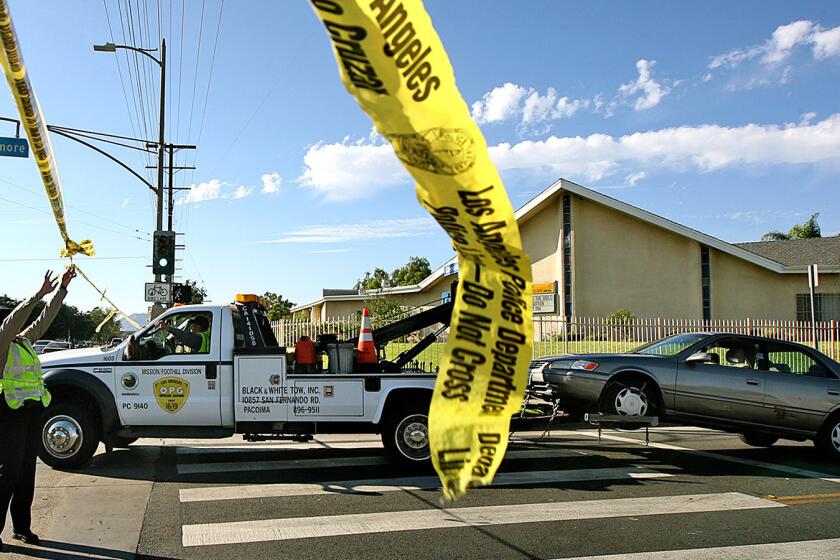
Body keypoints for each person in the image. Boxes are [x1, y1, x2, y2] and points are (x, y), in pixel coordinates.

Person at [0, 267, 76, 551]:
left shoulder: (23, 341)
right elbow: (12, 322)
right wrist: (37, 294)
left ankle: (22, 528)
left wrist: (61, 291)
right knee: (8, 473)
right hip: (7, 415)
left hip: (30, 413)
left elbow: (45, 318)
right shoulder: (2, 343)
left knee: (26, 474)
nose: (19, 324)